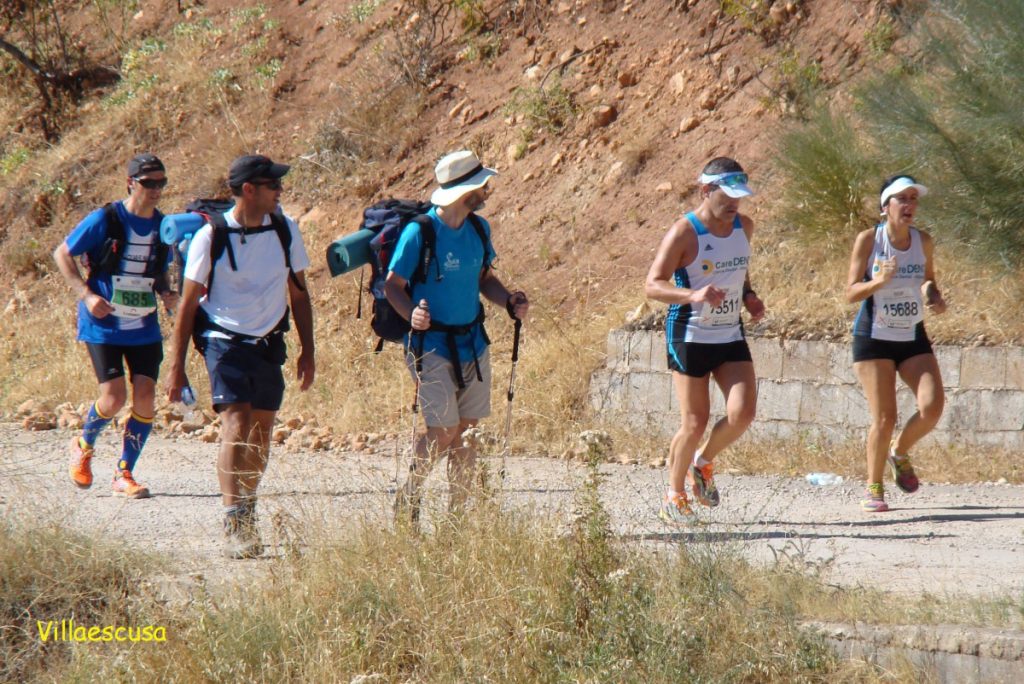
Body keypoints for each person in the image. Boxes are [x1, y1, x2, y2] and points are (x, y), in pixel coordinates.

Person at [166, 154, 315, 558]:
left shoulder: (285, 230)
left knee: (263, 430)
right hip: (222, 339)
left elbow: (299, 294)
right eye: (273, 185)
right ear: (249, 190)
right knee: (237, 420)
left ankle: (247, 509)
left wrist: (308, 350)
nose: (280, 191)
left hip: (268, 341)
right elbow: (187, 306)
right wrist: (176, 367)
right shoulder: (210, 236)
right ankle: (234, 519)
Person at [386, 150, 528, 523]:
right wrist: (411, 315)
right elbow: (393, 286)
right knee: (444, 429)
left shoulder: (480, 229)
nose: (488, 188)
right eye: (483, 183)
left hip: (473, 343)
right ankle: (409, 497)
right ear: (468, 191)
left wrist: (508, 301)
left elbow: (485, 279)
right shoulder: (420, 232)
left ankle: (457, 520)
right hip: (430, 345)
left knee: (467, 433)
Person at [644, 157, 765, 524]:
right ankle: (674, 495)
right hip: (690, 334)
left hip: (729, 332)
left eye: (739, 197)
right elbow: (652, 284)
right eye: (727, 196)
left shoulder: (745, 226)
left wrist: (748, 296)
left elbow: (738, 270)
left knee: (743, 413)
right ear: (705, 191)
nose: (734, 204)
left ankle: (704, 461)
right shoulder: (685, 232)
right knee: (694, 421)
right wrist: (693, 295)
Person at [54, 153, 177, 499]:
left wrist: (168, 294)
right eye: (149, 183)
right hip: (103, 324)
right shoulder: (105, 219)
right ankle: (84, 443)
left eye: (161, 183)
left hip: (143, 326)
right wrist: (86, 295)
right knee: (113, 398)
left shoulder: (163, 226)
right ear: (131, 183)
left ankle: (124, 472)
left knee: (146, 397)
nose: (156, 190)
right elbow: (62, 254)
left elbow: (159, 270)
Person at [846, 175, 946, 513]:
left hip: (912, 335)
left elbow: (928, 278)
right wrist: (879, 281)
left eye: (913, 199)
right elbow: (850, 293)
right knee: (884, 416)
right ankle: (874, 487)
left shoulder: (923, 241)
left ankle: (899, 452)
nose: (909, 205)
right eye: (902, 199)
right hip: (873, 337)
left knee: (932, 408)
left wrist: (933, 294)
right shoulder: (869, 240)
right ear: (885, 206)